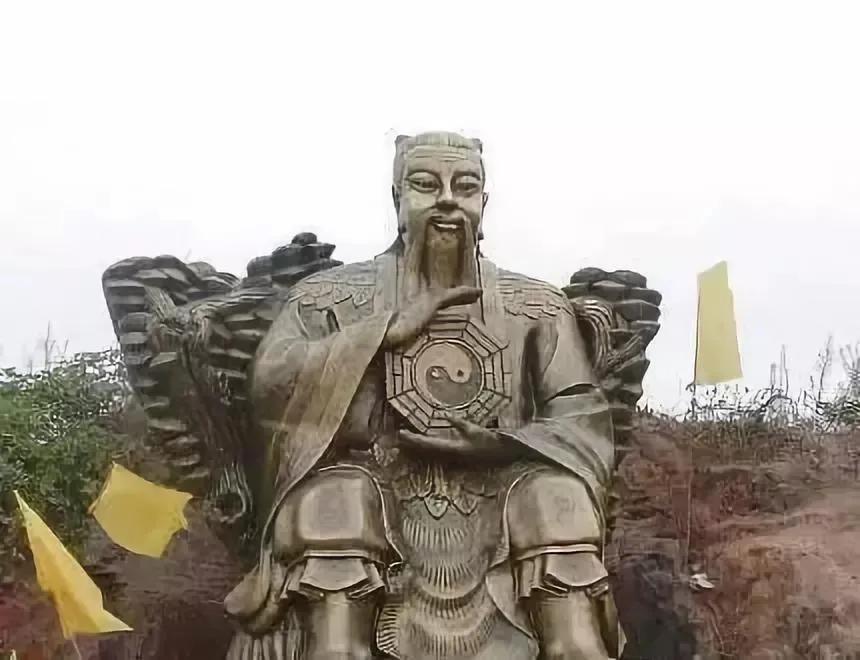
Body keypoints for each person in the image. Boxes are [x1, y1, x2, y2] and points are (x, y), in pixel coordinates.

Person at [224, 132, 623, 659]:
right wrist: (377, 335)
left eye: (466, 187)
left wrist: (507, 445)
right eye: (426, 184)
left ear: (484, 202)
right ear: (397, 199)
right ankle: (336, 647)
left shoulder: (537, 306)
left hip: (504, 493)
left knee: (557, 499)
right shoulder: (330, 296)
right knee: (333, 500)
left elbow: (582, 416)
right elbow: (270, 384)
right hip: (375, 484)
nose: (448, 200)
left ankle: (575, 647)